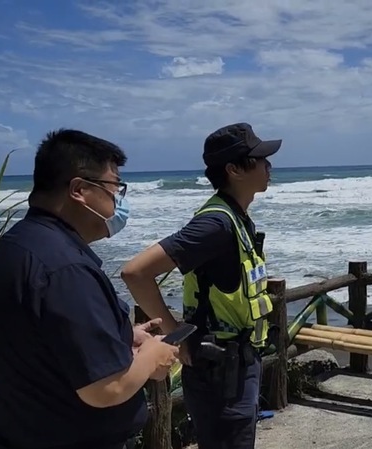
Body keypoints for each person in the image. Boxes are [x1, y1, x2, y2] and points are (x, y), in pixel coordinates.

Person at [0, 129, 179, 449]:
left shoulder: (14, 246)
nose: (119, 200)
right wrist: (152, 357)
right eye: (115, 187)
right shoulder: (66, 268)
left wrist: (118, 335)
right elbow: (106, 388)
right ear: (79, 189)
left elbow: (41, 337)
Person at [121, 122, 281, 449]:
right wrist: (175, 334)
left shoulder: (235, 218)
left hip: (235, 365)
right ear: (234, 169)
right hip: (219, 372)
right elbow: (135, 273)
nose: (269, 166)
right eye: (260, 158)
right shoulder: (215, 224)